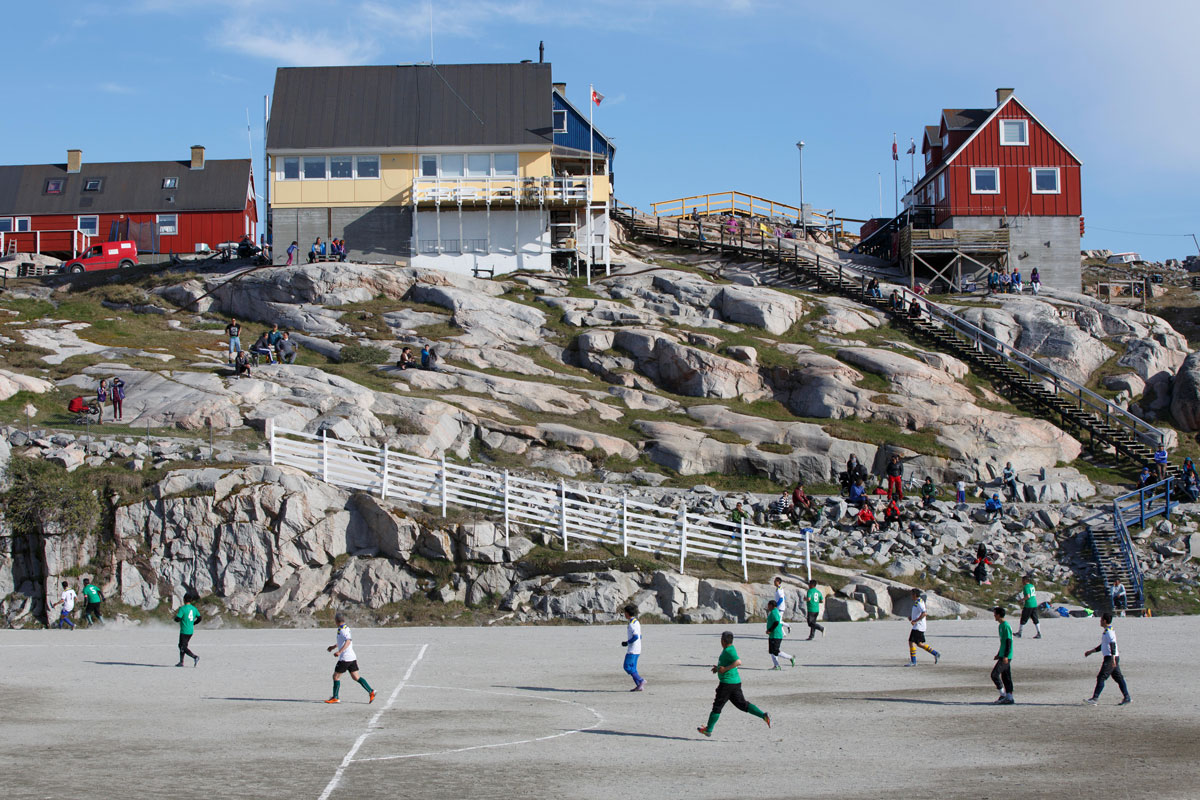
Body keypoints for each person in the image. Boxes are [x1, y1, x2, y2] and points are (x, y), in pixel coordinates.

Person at [696, 631, 771, 737]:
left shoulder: (729, 651)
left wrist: (725, 669)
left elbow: (738, 662)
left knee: (717, 706)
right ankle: (763, 715)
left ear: (722, 641)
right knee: (742, 704)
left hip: (727, 684)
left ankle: (708, 729)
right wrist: (718, 669)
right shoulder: (729, 649)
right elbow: (727, 664)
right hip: (734, 683)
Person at [325, 612, 375, 704]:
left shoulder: (343, 630)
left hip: (345, 658)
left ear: (336, 620)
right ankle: (371, 691)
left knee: (335, 676)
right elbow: (342, 641)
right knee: (356, 677)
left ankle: (335, 697)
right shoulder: (345, 628)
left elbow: (348, 641)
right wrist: (334, 646)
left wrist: (339, 652)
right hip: (352, 657)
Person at [1083, 613, 1131, 706]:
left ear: (1104, 621)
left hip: (1110, 658)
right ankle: (1127, 697)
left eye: (1101, 619)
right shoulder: (1107, 631)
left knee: (1101, 677)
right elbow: (1104, 645)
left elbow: (1112, 644)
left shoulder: (1109, 632)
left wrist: (1113, 659)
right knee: (1118, 678)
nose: (1100, 621)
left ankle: (1095, 698)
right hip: (1112, 657)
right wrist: (1091, 651)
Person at [905, 588, 941, 666]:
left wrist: (915, 621)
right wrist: (912, 617)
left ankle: (913, 662)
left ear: (914, 594)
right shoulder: (917, 602)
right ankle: (935, 653)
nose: (911, 596)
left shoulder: (919, 602)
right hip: (918, 626)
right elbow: (918, 612)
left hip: (918, 626)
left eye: (912, 594)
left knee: (911, 641)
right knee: (919, 643)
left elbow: (924, 613)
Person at [991, 607, 1015, 705]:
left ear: (999, 615)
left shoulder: (1006, 626)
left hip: (1006, 656)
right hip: (1002, 654)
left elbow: (1009, 641)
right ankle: (1009, 697)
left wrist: (1005, 655)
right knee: (1006, 677)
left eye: (995, 614)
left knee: (994, 674)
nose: (994, 616)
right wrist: (998, 654)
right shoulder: (1000, 626)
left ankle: (1003, 695)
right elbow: (1003, 642)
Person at [621, 604, 645, 692]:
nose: (624, 614)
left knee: (627, 666)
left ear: (627, 613)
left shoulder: (632, 624)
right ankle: (639, 685)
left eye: (625, 613)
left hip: (633, 649)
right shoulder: (636, 622)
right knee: (633, 668)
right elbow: (640, 636)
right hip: (638, 648)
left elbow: (636, 637)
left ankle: (641, 680)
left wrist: (627, 642)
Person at [174, 590, 201, 667]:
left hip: (184, 631)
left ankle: (195, 657)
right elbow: (200, 618)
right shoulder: (194, 608)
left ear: (184, 600)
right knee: (182, 645)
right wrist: (194, 623)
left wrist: (175, 618)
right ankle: (181, 662)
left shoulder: (183, 608)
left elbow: (178, 618)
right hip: (190, 630)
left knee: (183, 646)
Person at [765, 600, 794, 670]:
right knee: (771, 651)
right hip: (772, 635)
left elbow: (776, 622)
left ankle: (790, 658)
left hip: (776, 635)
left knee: (775, 651)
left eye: (768, 605)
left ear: (771, 605)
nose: (767, 607)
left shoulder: (774, 612)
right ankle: (776, 665)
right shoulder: (773, 612)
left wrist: (770, 630)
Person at [1015, 574, 1042, 639]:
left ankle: (1019, 633)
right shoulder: (1032, 586)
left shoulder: (1026, 587)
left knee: (1023, 619)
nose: (1022, 582)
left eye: (1023, 580)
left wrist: (1021, 600)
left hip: (1028, 605)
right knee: (1035, 619)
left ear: (1025, 580)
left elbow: (1028, 596)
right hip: (1034, 604)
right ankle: (1039, 632)